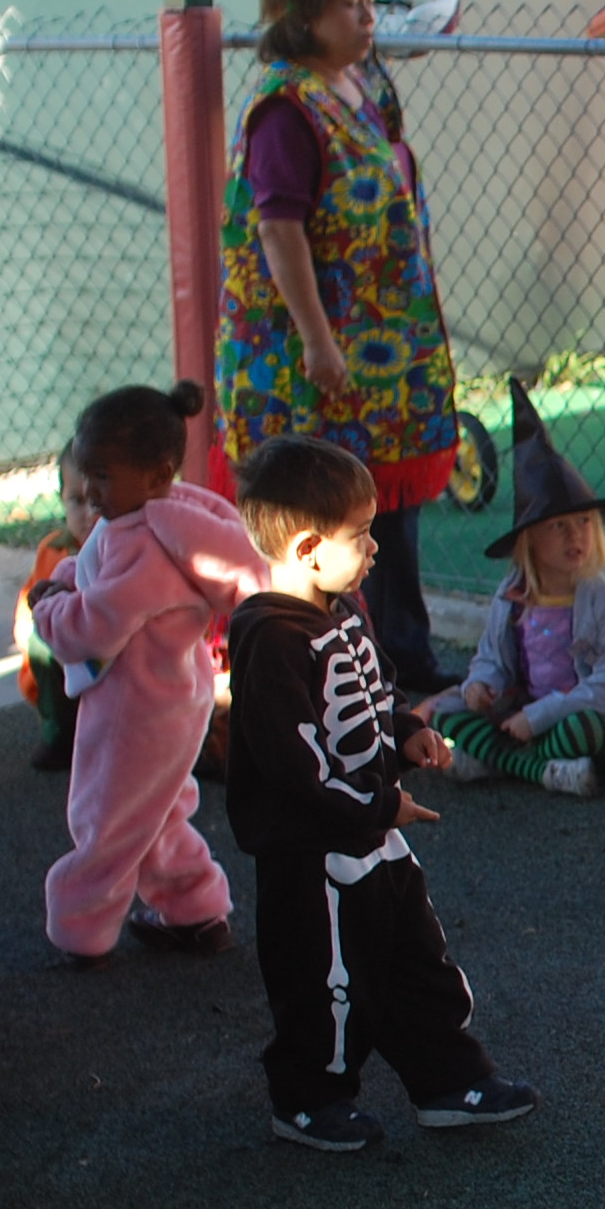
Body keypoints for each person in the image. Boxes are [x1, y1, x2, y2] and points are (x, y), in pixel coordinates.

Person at [223, 434, 535, 1152]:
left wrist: (405, 734)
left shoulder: (344, 609)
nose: (374, 548)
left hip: (373, 833)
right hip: (313, 855)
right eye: (361, 534)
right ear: (308, 550)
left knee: (415, 956)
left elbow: (372, 697)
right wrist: (379, 805)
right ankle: (307, 1098)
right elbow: (296, 764)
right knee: (326, 980)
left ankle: (449, 1079)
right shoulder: (271, 640)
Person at [218, 0, 459, 692]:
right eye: (349, 5)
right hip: (319, 359)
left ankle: (402, 656)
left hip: (384, 350)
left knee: (385, 514)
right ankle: (331, 667)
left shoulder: (360, 83)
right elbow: (279, 230)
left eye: (368, 2)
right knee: (327, 516)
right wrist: (318, 342)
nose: (367, 17)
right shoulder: (285, 109)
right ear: (302, 15)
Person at [27, 381, 269, 963]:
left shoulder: (143, 543)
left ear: (157, 473)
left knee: (105, 818)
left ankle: (83, 929)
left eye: (102, 477)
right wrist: (66, 579)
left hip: (134, 710)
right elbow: (97, 570)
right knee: (156, 810)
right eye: (86, 476)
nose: (90, 492)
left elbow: (94, 626)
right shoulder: (176, 515)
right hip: (174, 698)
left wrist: (49, 608)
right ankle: (195, 910)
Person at [425, 384, 605, 798]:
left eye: (583, 522)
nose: (574, 536)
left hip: (579, 715)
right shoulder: (511, 595)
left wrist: (539, 717)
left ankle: (505, 762)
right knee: (447, 714)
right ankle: (543, 769)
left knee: (588, 731)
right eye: (558, 526)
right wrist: (480, 686)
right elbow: (492, 660)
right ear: (529, 540)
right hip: (522, 711)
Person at [12, 454, 96, 771]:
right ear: (61, 499)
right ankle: (60, 733)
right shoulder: (53, 550)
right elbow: (28, 609)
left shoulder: (126, 547)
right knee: (40, 643)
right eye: (77, 501)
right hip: (67, 656)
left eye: (97, 499)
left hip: (113, 651)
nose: (89, 513)